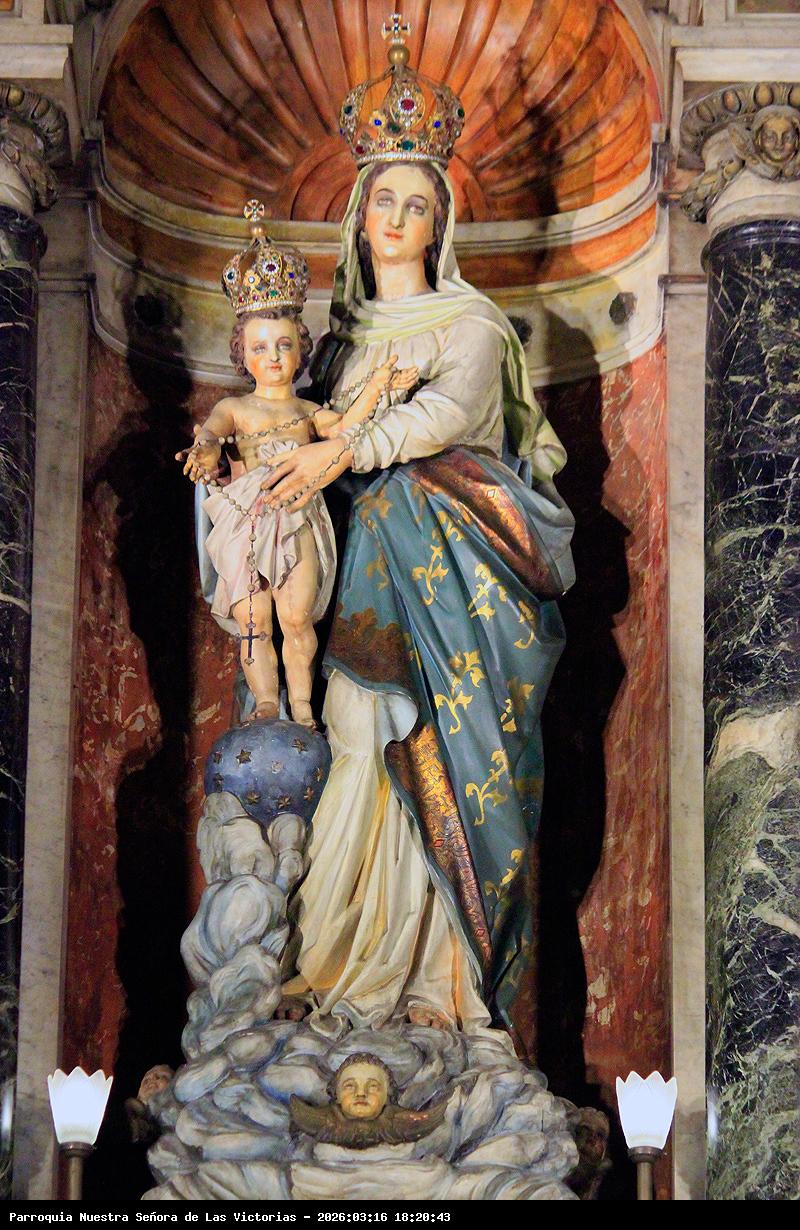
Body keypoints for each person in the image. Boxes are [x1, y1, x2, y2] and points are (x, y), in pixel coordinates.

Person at [263, 33, 575, 1033]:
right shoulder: (334, 346)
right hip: (361, 579)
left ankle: (442, 988)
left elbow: (442, 419)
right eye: (383, 201)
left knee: (437, 745)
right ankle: (340, 969)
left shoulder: (470, 325)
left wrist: (340, 453)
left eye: (418, 205)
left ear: (439, 226)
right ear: (359, 218)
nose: (397, 219)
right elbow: (288, 436)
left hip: (456, 584)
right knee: (356, 736)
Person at [178, 205, 417, 726]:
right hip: (246, 520)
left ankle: (304, 710)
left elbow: (345, 426)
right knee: (254, 622)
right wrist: (205, 451)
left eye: (284, 344)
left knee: (296, 616)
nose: (273, 356)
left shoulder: (307, 411)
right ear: (243, 354)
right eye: (260, 347)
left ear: (300, 350)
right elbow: (212, 433)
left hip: (298, 515)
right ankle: (268, 704)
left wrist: (379, 385)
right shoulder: (236, 407)